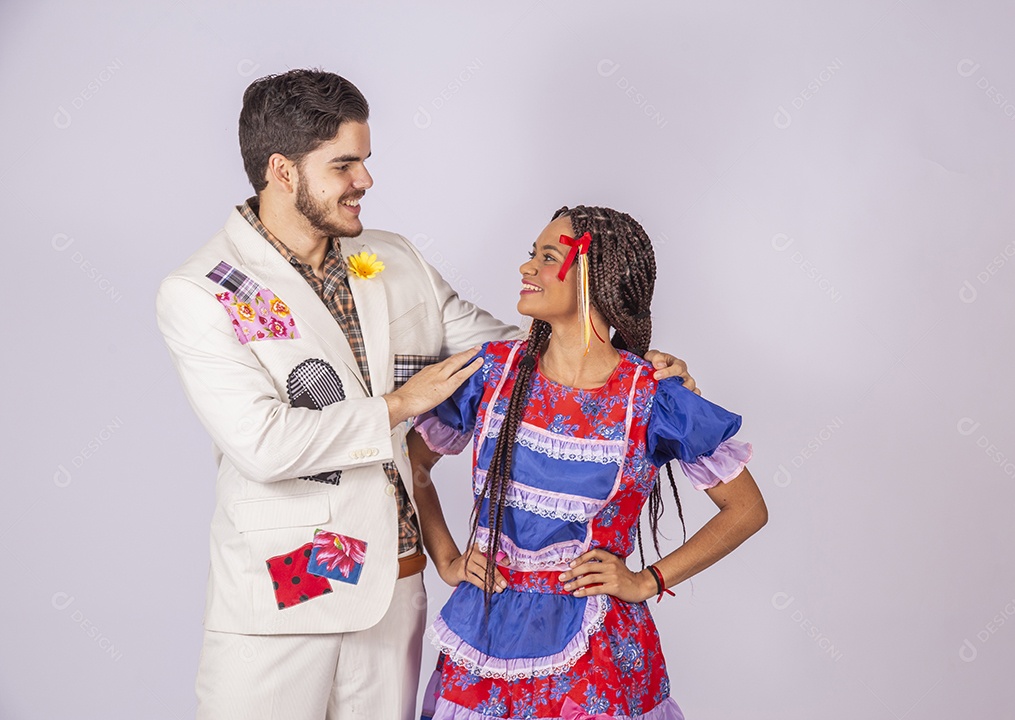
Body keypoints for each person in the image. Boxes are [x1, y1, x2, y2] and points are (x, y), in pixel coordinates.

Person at [156, 70, 695, 720]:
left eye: (367, 160)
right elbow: (263, 444)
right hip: (286, 590)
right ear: (283, 170)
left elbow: (509, 357)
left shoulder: (389, 258)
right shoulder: (203, 290)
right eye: (345, 165)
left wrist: (627, 370)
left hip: (396, 583)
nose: (366, 181)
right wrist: (399, 405)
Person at [410, 205, 768, 719]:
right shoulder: (493, 373)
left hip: (595, 651)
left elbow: (746, 508)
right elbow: (415, 464)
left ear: (595, 276)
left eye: (547, 256)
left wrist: (648, 580)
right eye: (531, 254)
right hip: (483, 637)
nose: (526, 268)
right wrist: (446, 557)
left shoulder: (653, 397)